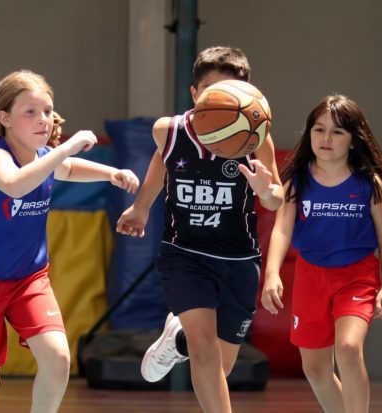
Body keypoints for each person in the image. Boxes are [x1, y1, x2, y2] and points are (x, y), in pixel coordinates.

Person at [0, 69, 138, 413]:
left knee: (57, 359)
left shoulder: (44, 159)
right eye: (31, 112)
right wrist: (66, 145)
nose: (44, 120)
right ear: (4, 118)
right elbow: (18, 184)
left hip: (28, 280)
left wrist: (110, 173)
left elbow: (67, 169)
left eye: (48, 112)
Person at [116, 46, 283, 413]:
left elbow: (275, 200)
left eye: (231, 94)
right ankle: (188, 339)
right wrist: (140, 208)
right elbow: (164, 162)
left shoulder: (256, 140)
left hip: (239, 259)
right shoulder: (170, 131)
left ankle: (177, 342)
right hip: (186, 255)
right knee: (205, 354)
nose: (223, 104)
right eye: (213, 93)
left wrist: (265, 190)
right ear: (195, 96)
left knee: (217, 369)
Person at [261, 94, 382, 413]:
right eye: (319, 129)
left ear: (353, 140)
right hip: (311, 278)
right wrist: (271, 275)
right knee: (316, 369)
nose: (326, 138)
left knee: (349, 348)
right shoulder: (297, 180)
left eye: (337, 131)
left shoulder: (370, 184)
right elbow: (282, 229)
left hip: (357, 277)